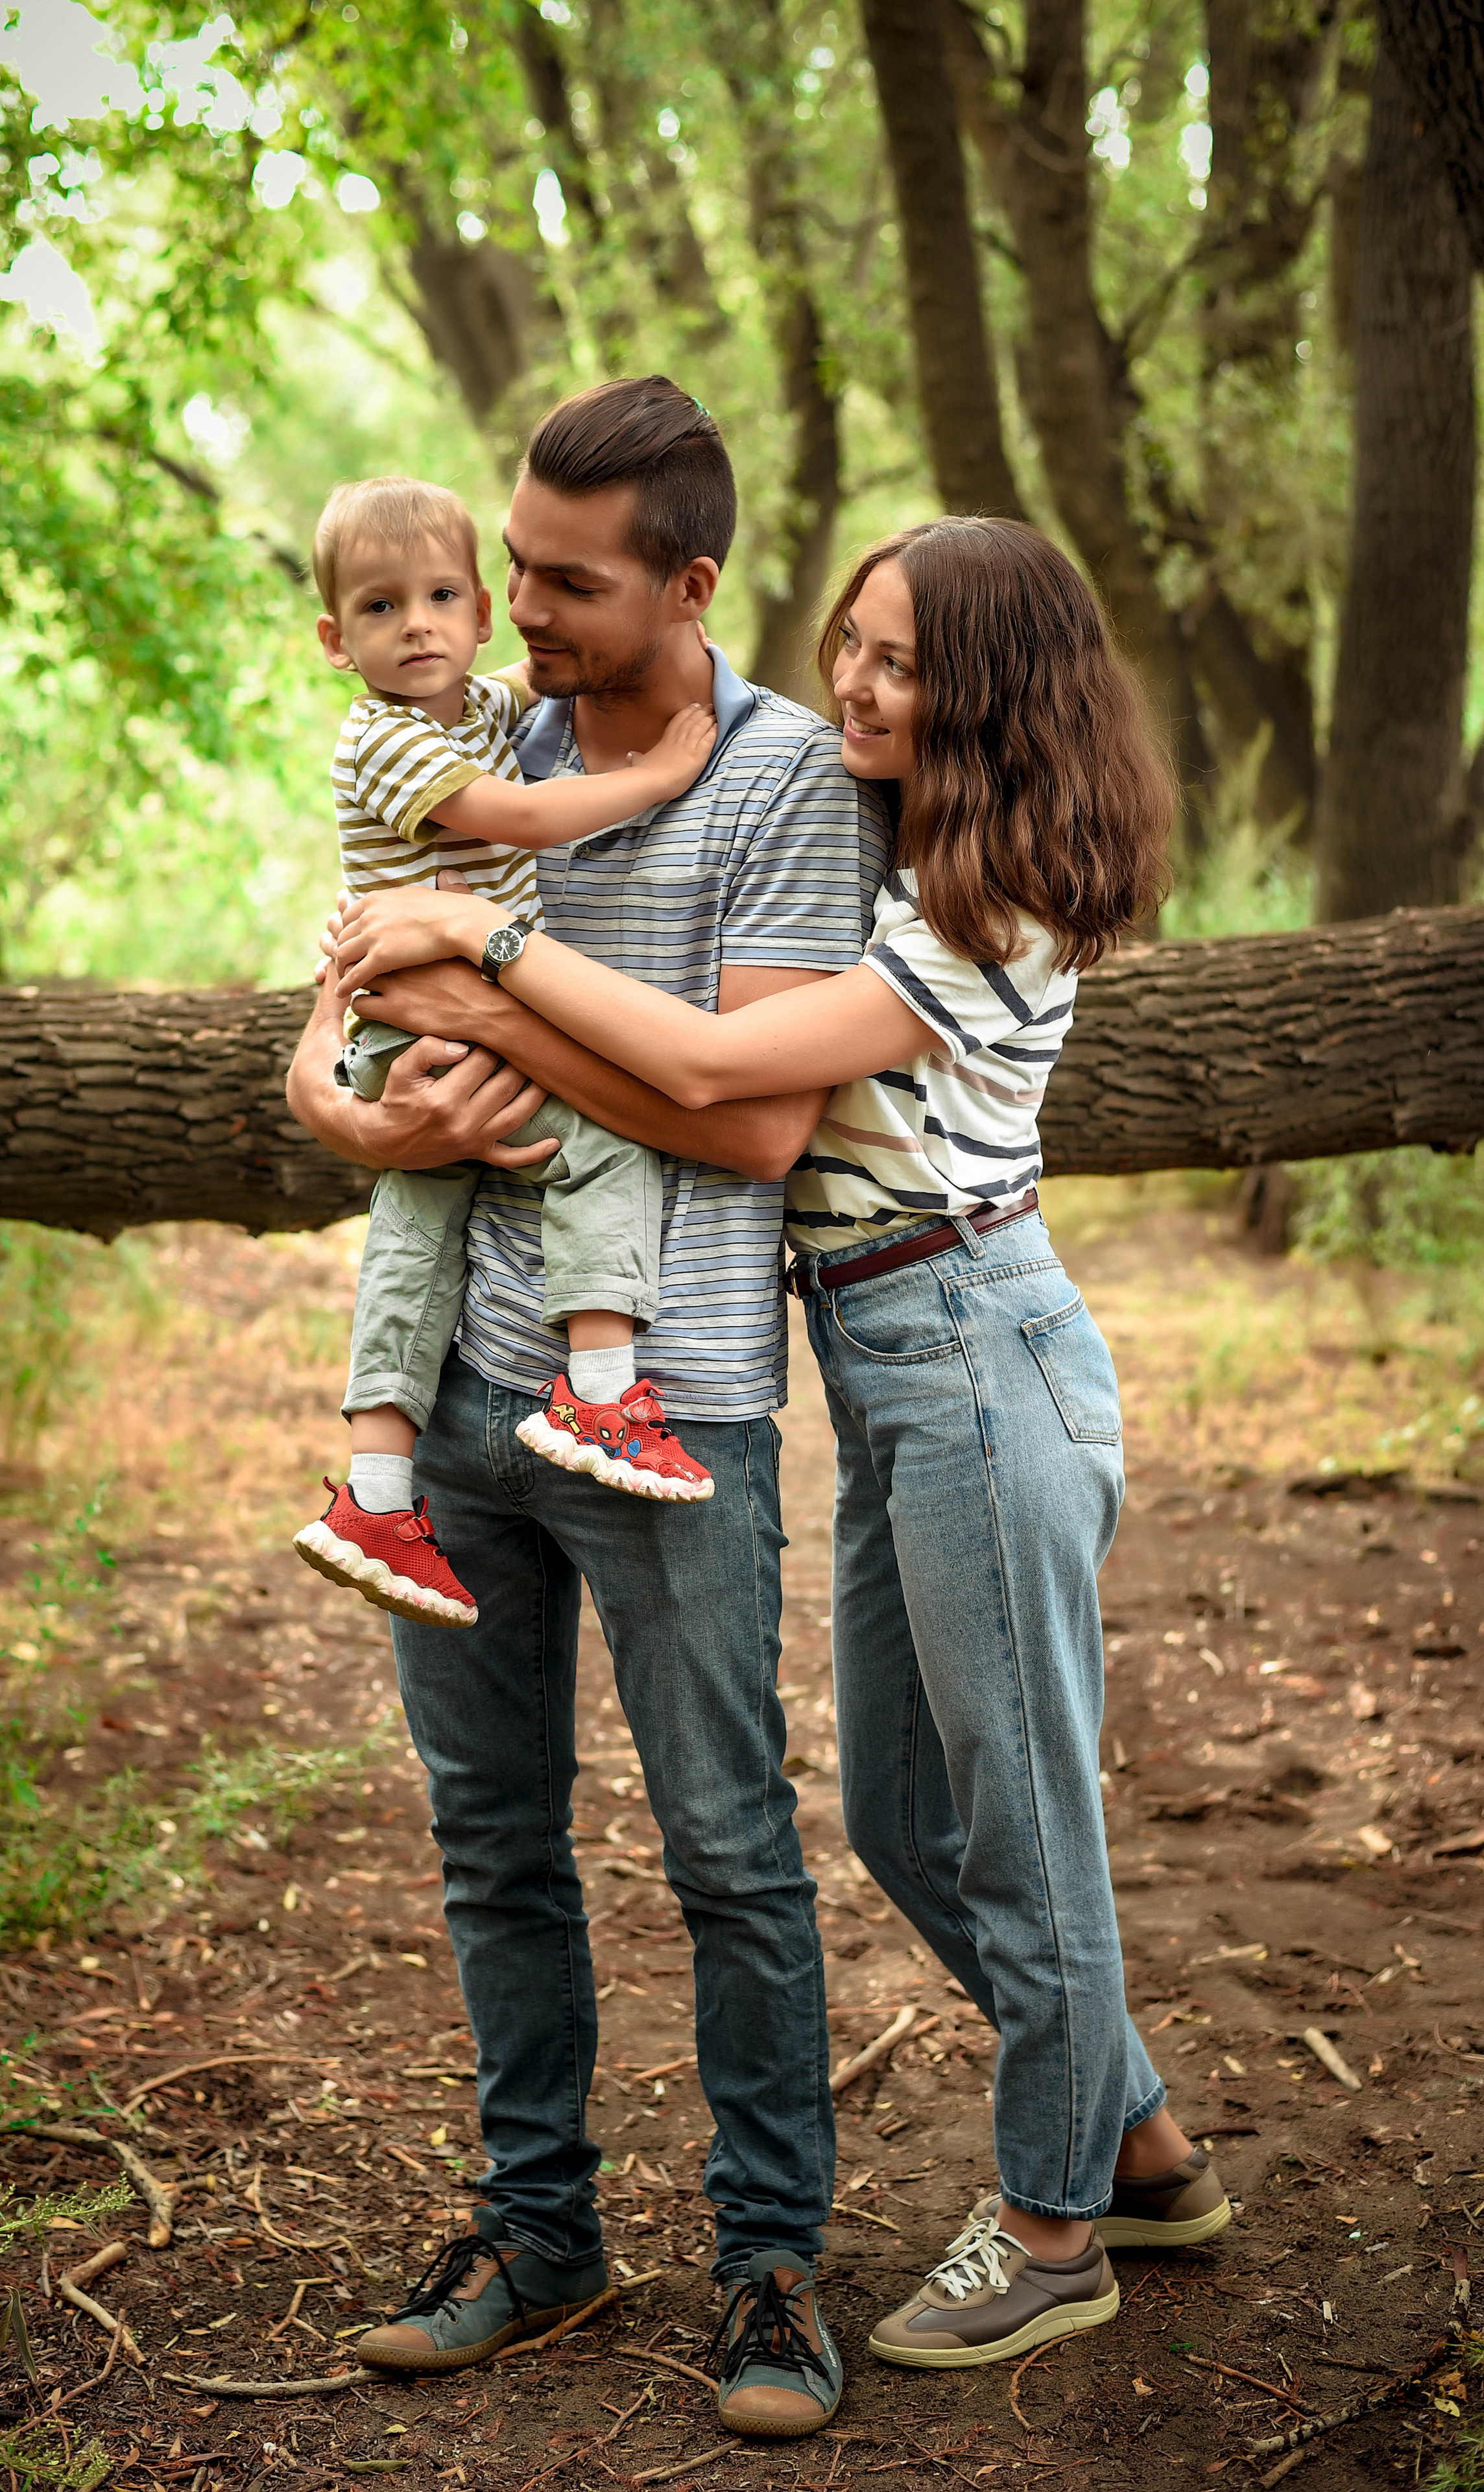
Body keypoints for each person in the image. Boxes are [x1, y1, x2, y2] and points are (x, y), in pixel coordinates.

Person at [330, 515, 1236, 2377]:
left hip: (978, 1347)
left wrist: (485, 946)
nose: (858, 684)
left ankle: (1058, 2221)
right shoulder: (893, 836)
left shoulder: (1004, 906)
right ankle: (1137, 2139)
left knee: (1021, 1827)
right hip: (885, 1355)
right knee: (907, 1819)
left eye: (904, 664)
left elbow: (735, 1088)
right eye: (854, 644)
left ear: (991, 692)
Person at [287, 377, 890, 2437]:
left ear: (690, 582)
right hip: (461, 1400)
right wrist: (343, 1099)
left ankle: (773, 2260)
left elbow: (754, 1121)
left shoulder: (789, 782)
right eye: (508, 567)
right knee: (492, 1842)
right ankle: (540, 2230)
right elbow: (352, 983)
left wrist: (492, 1006)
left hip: (677, 1400)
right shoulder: (480, 734)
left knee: (729, 1846)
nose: (516, 610)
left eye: (564, 580)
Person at [294, 473, 720, 1636]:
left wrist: (659, 627)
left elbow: (547, 669)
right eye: (381, 609)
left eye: (441, 596)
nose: (416, 624)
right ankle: (599, 1392)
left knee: (417, 1224)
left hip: (412, 1024)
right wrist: (657, 777)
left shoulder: (474, 703)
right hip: (424, 1019)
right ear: (338, 640)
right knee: (600, 1137)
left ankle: (375, 1494)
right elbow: (519, 821)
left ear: (481, 612)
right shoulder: (386, 738)